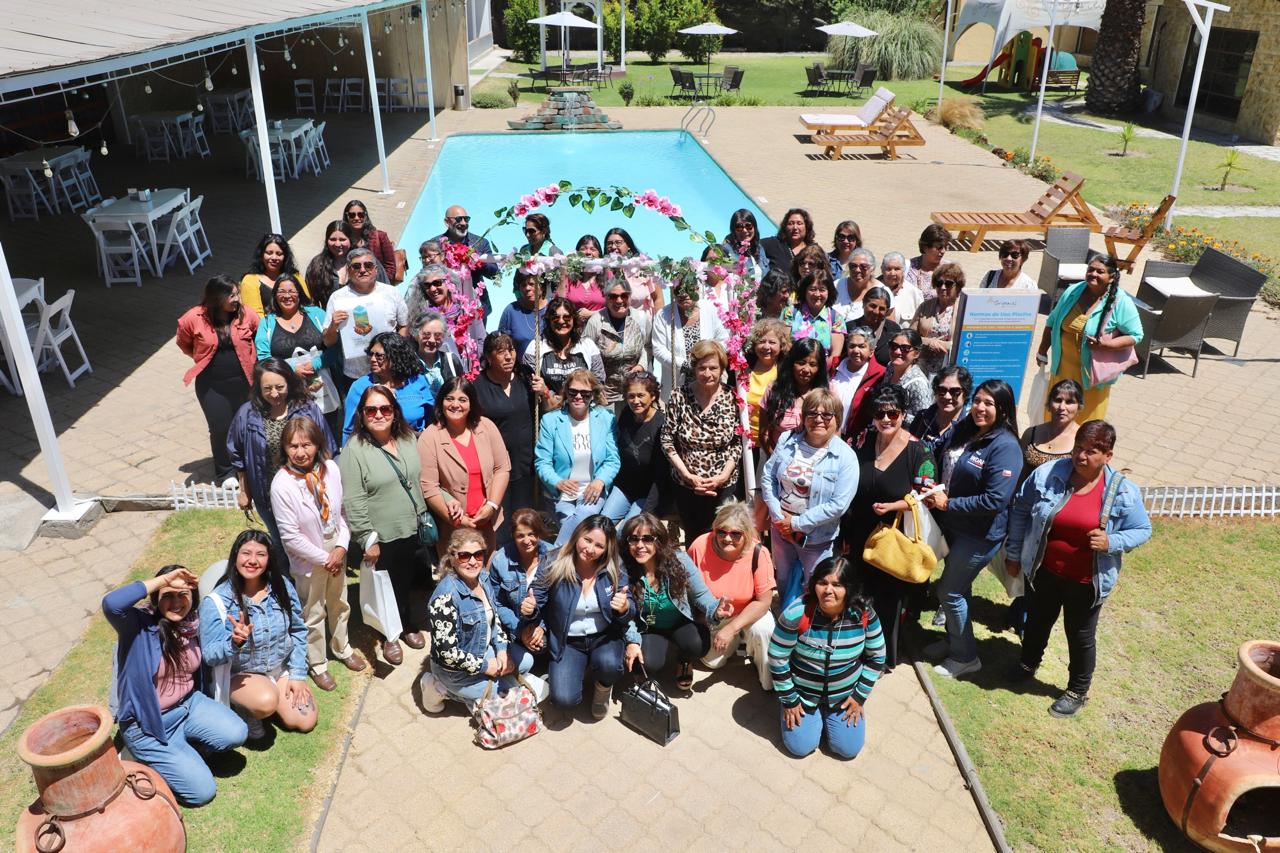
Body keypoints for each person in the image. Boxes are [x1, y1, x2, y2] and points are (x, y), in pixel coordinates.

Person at [1006, 420, 1152, 717]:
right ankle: (1027, 664)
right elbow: (1021, 508)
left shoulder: (1122, 492)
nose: (1080, 456)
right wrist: (1014, 552)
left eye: (1091, 451)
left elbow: (1142, 529)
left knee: (1080, 635)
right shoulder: (1048, 474)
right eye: (1078, 448)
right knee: (1037, 621)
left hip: (1086, 580)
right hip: (1044, 570)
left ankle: (1077, 690)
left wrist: (1112, 541)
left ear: (1108, 456)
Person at [104, 566, 246, 806]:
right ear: (156, 597)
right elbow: (111, 604)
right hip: (149, 724)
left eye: (183, 595)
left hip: (189, 705)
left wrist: (234, 643)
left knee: (237, 733)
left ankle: (182, 750)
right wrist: (164, 580)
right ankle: (142, 755)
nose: (177, 603)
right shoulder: (138, 627)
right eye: (167, 595)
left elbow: (210, 656)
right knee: (203, 792)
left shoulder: (192, 623)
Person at [923, 379, 1022, 678]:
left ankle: (965, 656)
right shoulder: (970, 429)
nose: (980, 407)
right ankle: (954, 640)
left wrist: (948, 504)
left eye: (989, 403)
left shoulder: (1006, 447)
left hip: (979, 535)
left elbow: (995, 500)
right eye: (977, 400)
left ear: (1003, 409)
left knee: (949, 591)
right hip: (955, 526)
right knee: (960, 586)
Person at [843, 385, 936, 670]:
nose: (885, 419)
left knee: (887, 600)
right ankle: (852, 648)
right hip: (859, 531)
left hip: (892, 536)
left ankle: (881, 657)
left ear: (903, 414)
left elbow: (928, 496)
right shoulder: (863, 439)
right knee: (856, 592)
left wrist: (895, 506)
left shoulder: (919, 450)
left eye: (893, 413)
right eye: (879, 413)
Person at [270, 418, 365, 691]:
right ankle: (317, 662)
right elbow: (290, 537)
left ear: (318, 444)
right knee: (313, 611)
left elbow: (342, 513)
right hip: (309, 557)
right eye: (294, 446)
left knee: (339, 601)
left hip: (335, 546)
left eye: (307, 445)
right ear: (285, 448)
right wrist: (325, 558)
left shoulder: (331, 469)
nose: (301, 452)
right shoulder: (282, 485)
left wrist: (341, 547)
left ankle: (342, 647)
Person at [338, 386, 428, 665]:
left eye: (385, 409)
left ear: (395, 412)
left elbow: (419, 478)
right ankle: (389, 635)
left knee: (405, 581)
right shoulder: (354, 450)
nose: (379, 415)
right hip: (381, 535)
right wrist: (368, 538)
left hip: (411, 527)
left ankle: (407, 622)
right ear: (362, 414)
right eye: (371, 410)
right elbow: (353, 500)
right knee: (385, 587)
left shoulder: (408, 438)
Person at [200, 530, 316, 738]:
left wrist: (298, 674)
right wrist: (234, 643)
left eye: (261, 554)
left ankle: (269, 694)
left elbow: (298, 630)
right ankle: (247, 708)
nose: (252, 561)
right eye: (246, 553)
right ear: (235, 556)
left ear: (269, 559)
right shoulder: (217, 601)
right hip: (241, 674)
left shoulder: (282, 586)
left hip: (278, 668)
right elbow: (209, 655)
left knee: (305, 721)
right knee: (266, 702)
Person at [768, 556, 886, 759]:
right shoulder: (797, 613)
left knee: (848, 749)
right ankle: (806, 716)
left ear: (849, 588)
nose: (828, 590)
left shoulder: (863, 614)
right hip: (802, 695)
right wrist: (790, 700)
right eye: (822, 582)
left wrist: (859, 696)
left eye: (837, 585)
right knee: (800, 747)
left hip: (845, 696)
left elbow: (877, 657)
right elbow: (777, 657)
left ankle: (827, 718)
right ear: (814, 584)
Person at [521, 515, 634, 719]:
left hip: (604, 636)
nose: (590, 549)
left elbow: (630, 603)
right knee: (563, 700)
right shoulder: (553, 560)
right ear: (578, 535)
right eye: (587, 540)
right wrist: (530, 609)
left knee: (610, 665)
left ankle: (603, 686)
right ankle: (578, 669)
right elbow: (537, 595)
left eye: (599, 546)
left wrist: (625, 607)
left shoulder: (614, 565)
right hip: (568, 640)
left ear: (607, 549)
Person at [763, 389, 860, 607]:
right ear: (804, 416)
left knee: (816, 588)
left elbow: (839, 505)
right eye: (812, 413)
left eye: (827, 415)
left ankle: (810, 625)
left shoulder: (846, 457)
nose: (818, 419)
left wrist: (796, 523)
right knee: (783, 582)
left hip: (816, 539)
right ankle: (787, 622)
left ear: (837, 419)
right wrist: (778, 516)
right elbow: (768, 477)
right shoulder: (787, 440)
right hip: (781, 532)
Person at [421, 529, 537, 712]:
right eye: (464, 556)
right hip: (455, 672)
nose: (473, 561)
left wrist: (501, 650)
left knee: (526, 662)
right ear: (452, 558)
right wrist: (485, 666)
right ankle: (437, 688)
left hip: (482, 648)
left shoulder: (483, 577)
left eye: (478, 554)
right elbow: (447, 654)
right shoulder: (445, 598)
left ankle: (480, 693)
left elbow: (495, 620)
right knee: (506, 691)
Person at [227, 359, 335, 548]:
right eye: (267, 388)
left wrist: (326, 487)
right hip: (268, 495)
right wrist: (244, 491)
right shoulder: (247, 414)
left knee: (312, 539)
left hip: (307, 492)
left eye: (280, 387)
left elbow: (326, 448)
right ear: (258, 387)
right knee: (282, 542)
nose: (274, 394)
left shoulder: (307, 409)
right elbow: (238, 454)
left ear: (289, 383)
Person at [621, 513, 731, 689]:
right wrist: (632, 640)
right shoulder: (624, 568)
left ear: (659, 540)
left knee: (698, 645)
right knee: (646, 663)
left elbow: (701, 595)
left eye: (647, 539)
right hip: (647, 627)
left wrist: (715, 609)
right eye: (633, 539)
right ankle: (647, 667)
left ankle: (684, 660)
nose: (640, 545)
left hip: (679, 622)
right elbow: (625, 615)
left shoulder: (678, 560)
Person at [1037, 255, 1143, 423]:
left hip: (1091, 377)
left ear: (1111, 277)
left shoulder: (1121, 301)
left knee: (1085, 424)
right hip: (1062, 370)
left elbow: (1136, 335)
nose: (1093, 274)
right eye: (1090, 270)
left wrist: (1107, 345)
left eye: (1100, 271)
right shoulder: (1073, 291)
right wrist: (1042, 350)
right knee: (1058, 416)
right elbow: (1052, 322)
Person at [177, 276, 259, 484]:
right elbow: (184, 341)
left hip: (245, 382)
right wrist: (199, 355)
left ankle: (249, 464)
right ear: (216, 297)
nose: (236, 299)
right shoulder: (193, 317)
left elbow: (258, 336)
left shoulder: (247, 314)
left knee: (247, 425)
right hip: (212, 385)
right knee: (220, 428)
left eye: (237, 293)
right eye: (231, 295)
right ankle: (225, 472)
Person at [689, 501, 777, 690]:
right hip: (715, 615)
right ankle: (739, 642)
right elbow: (688, 587)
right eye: (722, 532)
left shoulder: (758, 552)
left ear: (747, 534)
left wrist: (732, 628)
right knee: (712, 662)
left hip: (749, 611)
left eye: (736, 534)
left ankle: (768, 681)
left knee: (764, 630)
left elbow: (764, 601)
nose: (727, 538)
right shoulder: (699, 546)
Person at [661, 340, 742, 541]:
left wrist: (722, 477)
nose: (707, 373)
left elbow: (737, 442)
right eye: (701, 368)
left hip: (723, 484)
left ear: (722, 369)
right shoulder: (679, 396)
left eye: (713, 368)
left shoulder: (733, 397)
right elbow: (667, 439)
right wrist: (687, 475)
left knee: (722, 538)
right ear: (694, 369)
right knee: (694, 539)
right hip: (687, 485)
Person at [419, 376, 511, 552]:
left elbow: (502, 468)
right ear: (441, 402)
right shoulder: (430, 437)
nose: (455, 405)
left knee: (486, 567)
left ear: (471, 404)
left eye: (462, 400)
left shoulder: (486, 427)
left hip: (487, 522)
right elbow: (428, 486)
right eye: (449, 399)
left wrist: (492, 506)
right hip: (452, 527)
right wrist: (459, 520)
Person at [534, 369, 619, 544]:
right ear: (566, 393)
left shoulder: (605, 418)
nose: (579, 397)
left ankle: (554, 555)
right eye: (573, 392)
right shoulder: (551, 420)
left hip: (591, 491)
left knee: (581, 520)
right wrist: (557, 481)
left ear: (592, 395)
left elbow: (612, 459)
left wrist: (600, 481)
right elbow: (542, 461)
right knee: (577, 529)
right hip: (561, 493)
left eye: (585, 393)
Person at [474, 333, 541, 539]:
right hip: (496, 468)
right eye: (500, 351)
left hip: (525, 464)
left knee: (523, 519)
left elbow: (548, 407)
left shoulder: (526, 377)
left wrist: (544, 392)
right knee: (500, 524)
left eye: (511, 350)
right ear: (489, 357)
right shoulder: (478, 386)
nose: (508, 356)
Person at [322, 248, 409, 380]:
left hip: (390, 370)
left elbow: (404, 326)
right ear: (348, 270)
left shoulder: (392, 293)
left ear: (376, 269)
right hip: (355, 374)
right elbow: (328, 342)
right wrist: (333, 326)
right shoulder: (337, 298)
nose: (362, 270)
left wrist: (395, 351)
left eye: (368, 265)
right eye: (356, 266)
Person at [253, 277, 337, 409]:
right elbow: (264, 359)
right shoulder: (266, 323)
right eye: (281, 292)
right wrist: (291, 369)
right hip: (287, 393)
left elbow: (335, 346)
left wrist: (315, 364)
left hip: (323, 389)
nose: (287, 296)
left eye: (292, 291)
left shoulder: (317, 314)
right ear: (275, 295)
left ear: (299, 293)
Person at [489, 508, 555, 672]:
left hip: (545, 623)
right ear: (513, 535)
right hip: (515, 624)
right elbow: (497, 603)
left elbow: (560, 601)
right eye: (520, 536)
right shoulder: (500, 561)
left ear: (539, 533)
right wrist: (520, 630)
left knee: (541, 644)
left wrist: (542, 626)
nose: (527, 541)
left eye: (531, 534)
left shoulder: (554, 557)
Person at [341, 332, 434, 440]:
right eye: (371, 354)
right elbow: (349, 430)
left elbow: (433, 417)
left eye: (379, 356)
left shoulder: (417, 381)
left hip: (415, 444)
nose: (372, 359)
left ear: (396, 357)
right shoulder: (360, 387)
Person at [602, 371, 667, 524]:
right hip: (625, 487)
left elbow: (661, 475)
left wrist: (647, 511)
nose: (636, 401)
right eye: (631, 396)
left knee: (628, 530)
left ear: (652, 396)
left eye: (641, 395)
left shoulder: (661, 424)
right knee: (603, 525)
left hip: (648, 493)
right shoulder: (626, 414)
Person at [651, 274, 729, 397]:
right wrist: (685, 365)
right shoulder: (663, 315)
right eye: (679, 290)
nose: (684, 294)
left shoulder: (711, 309)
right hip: (678, 384)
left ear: (697, 289)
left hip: (710, 378)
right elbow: (658, 349)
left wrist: (708, 361)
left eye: (689, 289)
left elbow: (724, 340)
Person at [521, 296, 606, 404]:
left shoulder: (588, 345)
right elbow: (529, 382)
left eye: (566, 317)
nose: (561, 321)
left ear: (574, 319)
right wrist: (548, 394)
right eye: (555, 317)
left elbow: (598, 381)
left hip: (582, 408)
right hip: (548, 408)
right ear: (549, 320)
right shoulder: (535, 347)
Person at [582, 276, 652, 404]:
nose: (619, 300)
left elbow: (648, 346)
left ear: (630, 297)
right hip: (604, 395)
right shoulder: (595, 322)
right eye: (613, 296)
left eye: (624, 296)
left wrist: (641, 365)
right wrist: (595, 386)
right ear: (606, 298)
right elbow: (585, 355)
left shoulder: (641, 319)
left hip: (634, 393)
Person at [759, 338, 828, 457]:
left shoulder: (827, 394)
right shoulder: (774, 390)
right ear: (791, 363)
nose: (806, 369)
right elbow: (763, 433)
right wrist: (776, 460)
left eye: (813, 364)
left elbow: (833, 435)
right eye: (801, 362)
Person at [433, 204, 499, 316]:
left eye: (466, 219)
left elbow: (494, 273)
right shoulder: (435, 245)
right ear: (447, 222)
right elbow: (428, 275)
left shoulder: (481, 243)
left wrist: (478, 260)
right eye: (459, 219)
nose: (463, 223)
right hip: (446, 309)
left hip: (477, 307)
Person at [405, 263, 485, 345]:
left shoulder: (467, 309)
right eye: (427, 285)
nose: (432, 289)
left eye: (437, 283)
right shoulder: (421, 317)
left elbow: (481, 341)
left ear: (448, 282)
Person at [832, 326, 886, 440]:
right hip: (827, 433)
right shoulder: (834, 366)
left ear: (871, 351)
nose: (856, 350)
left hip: (855, 439)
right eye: (852, 346)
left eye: (862, 346)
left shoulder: (880, 374)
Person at [745, 318, 790, 452]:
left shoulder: (786, 371)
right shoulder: (744, 367)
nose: (766, 347)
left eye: (772, 342)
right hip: (746, 441)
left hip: (773, 441)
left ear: (781, 345)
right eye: (762, 341)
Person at [240, 233, 309, 318]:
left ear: (285, 256)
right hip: (267, 325)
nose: (274, 258)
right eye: (269, 253)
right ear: (261, 254)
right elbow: (255, 317)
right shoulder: (250, 280)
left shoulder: (296, 276)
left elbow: (307, 305)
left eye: (279, 254)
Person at [909, 365, 973, 458]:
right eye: (942, 390)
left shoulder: (970, 426)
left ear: (965, 393)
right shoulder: (923, 417)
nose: (947, 396)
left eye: (955, 391)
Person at [782, 270, 845, 361]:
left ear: (829, 292)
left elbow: (835, 354)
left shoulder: (836, 318)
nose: (817, 294)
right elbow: (784, 344)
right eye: (812, 289)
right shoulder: (790, 312)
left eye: (822, 290)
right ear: (805, 291)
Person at [913, 263, 962, 377]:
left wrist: (942, 345)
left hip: (949, 371)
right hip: (921, 367)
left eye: (949, 284)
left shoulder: (963, 309)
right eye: (939, 283)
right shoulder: (925, 306)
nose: (943, 287)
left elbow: (965, 343)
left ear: (958, 286)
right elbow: (911, 336)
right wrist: (929, 342)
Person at [605, 226, 661, 311]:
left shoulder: (644, 266)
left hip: (642, 319)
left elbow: (658, 299)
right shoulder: (602, 271)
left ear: (628, 246)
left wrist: (658, 319)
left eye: (618, 242)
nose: (613, 246)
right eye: (609, 243)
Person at [881, 330, 932, 419]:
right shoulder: (890, 367)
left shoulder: (918, 384)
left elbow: (923, 420)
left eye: (905, 348)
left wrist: (898, 415)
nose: (897, 351)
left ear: (916, 353)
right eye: (894, 346)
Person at [413, 310, 465, 397]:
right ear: (416, 335)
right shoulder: (408, 363)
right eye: (426, 335)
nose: (432, 340)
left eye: (437, 335)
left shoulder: (451, 360)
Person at [498, 269, 546, 360]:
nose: (527, 288)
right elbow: (501, 344)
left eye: (531, 284)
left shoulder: (553, 309)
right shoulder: (511, 311)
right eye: (523, 285)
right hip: (521, 368)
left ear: (542, 286)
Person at [342, 199, 396, 279]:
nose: (356, 218)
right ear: (346, 217)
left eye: (360, 214)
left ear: (365, 216)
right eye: (352, 215)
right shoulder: (343, 240)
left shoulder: (380, 236)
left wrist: (378, 283)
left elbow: (391, 267)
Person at [847, 285, 900, 366]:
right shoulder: (849, 328)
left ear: (887, 311)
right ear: (863, 304)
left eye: (881, 309)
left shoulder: (893, 330)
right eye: (872, 306)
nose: (876, 311)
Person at [303, 220, 350, 309]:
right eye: (332, 239)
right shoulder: (317, 265)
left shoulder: (361, 262)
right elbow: (310, 300)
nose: (337, 244)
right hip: (328, 316)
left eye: (342, 239)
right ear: (326, 240)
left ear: (350, 239)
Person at [761, 208, 820, 274]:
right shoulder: (773, 244)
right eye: (791, 223)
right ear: (785, 226)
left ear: (807, 227)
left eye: (799, 223)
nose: (795, 227)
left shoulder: (814, 250)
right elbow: (754, 243)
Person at [563, 234, 607, 322]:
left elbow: (615, 305)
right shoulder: (569, 277)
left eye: (593, 249)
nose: (588, 252)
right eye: (583, 249)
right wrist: (563, 273)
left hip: (601, 327)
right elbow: (560, 302)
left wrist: (592, 314)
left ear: (599, 254)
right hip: (573, 327)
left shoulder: (607, 276)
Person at [880, 251, 925, 325]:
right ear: (882, 270)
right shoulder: (872, 288)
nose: (892, 273)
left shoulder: (915, 294)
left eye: (897, 269)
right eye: (888, 269)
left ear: (903, 270)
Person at [722, 208, 769, 278]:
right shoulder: (727, 250)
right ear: (734, 230)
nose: (744, 230)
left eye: (748, 226)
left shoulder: (759, 249)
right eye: (739, 227)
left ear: (754, 227)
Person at [838, 247, 880, 321]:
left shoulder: (882, 291)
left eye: (863, 266)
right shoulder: (836, 286)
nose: (857, 270)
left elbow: (889, 325)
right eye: (853, 266)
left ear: (872, 269)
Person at [908, 223, 950, 297]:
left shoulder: (949, 269)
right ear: (925, 247)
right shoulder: (909, 267)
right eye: (939, 247)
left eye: (945, 247)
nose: (943, 251)